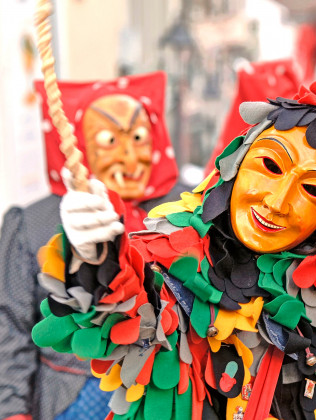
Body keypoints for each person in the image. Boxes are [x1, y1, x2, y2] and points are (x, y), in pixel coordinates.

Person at [31, 81, 316, 420]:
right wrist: (97, 259)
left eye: (313, 189)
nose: (278, 203)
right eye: (270, 165)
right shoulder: (172, 253)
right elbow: (132, 314)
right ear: (236, 165)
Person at [0, 72, 181, 420]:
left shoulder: (186, 211)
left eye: (139, 137)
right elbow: (9, 324)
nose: (130, 157)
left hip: (167, 392)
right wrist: (12, 410)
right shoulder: (30, 225)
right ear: (81, 148)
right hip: (73, 398)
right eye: (109, 141)